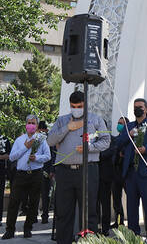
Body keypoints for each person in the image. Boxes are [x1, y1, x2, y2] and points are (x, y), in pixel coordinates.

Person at [47, 90, 110, 241]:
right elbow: (50, 141)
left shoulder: (96, 120)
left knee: (89, 212)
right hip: (65, 172)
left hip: (88, 170)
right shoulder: (62, 120)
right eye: (73, 106)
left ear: (85, 105)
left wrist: (90, 147)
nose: (76, 109)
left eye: (79, 106)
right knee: (63, 211)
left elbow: (106, 141)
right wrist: (68, 127)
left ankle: (88, 242)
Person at [116, 98, 147, 237]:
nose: (137, 109)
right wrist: (129, 135)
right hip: (131, 173)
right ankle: (133, 236)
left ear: (146, 109)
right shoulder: (129, 126)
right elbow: (118, 143)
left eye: (140, 107)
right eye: (135, 107)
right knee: (131, 206)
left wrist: (146, 149)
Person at [2, 114, 50, 239]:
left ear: (37, 126)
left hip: (36, 174)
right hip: (21, 174)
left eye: (33, 123)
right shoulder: (19, 140)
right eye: (29, 123)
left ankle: (28, 228)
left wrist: (37, 158)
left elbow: (48, 156)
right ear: (25, 125)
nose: (31, 125)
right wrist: (25, 147)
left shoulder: (41, 139)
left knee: (33, 202)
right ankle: (10, 230)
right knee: (14, 201)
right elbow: (12, 157)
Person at [97, 118, 121, 235]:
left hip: (106, 177)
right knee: (94, 204)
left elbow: (108, 153)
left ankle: (105, 229)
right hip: (94, 176)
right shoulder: (93, 139)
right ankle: (95, 227)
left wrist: (94, 153)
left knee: (105, 204)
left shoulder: (113, 140)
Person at [37, 121, 54, 225]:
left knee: (45, 194)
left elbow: (52, 154)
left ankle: (45, 215)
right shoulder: (36, 139)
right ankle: (37, 215)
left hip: (46, 170)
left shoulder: (49, 139)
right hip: (37, 169)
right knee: (37, 193)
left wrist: (51, 170)